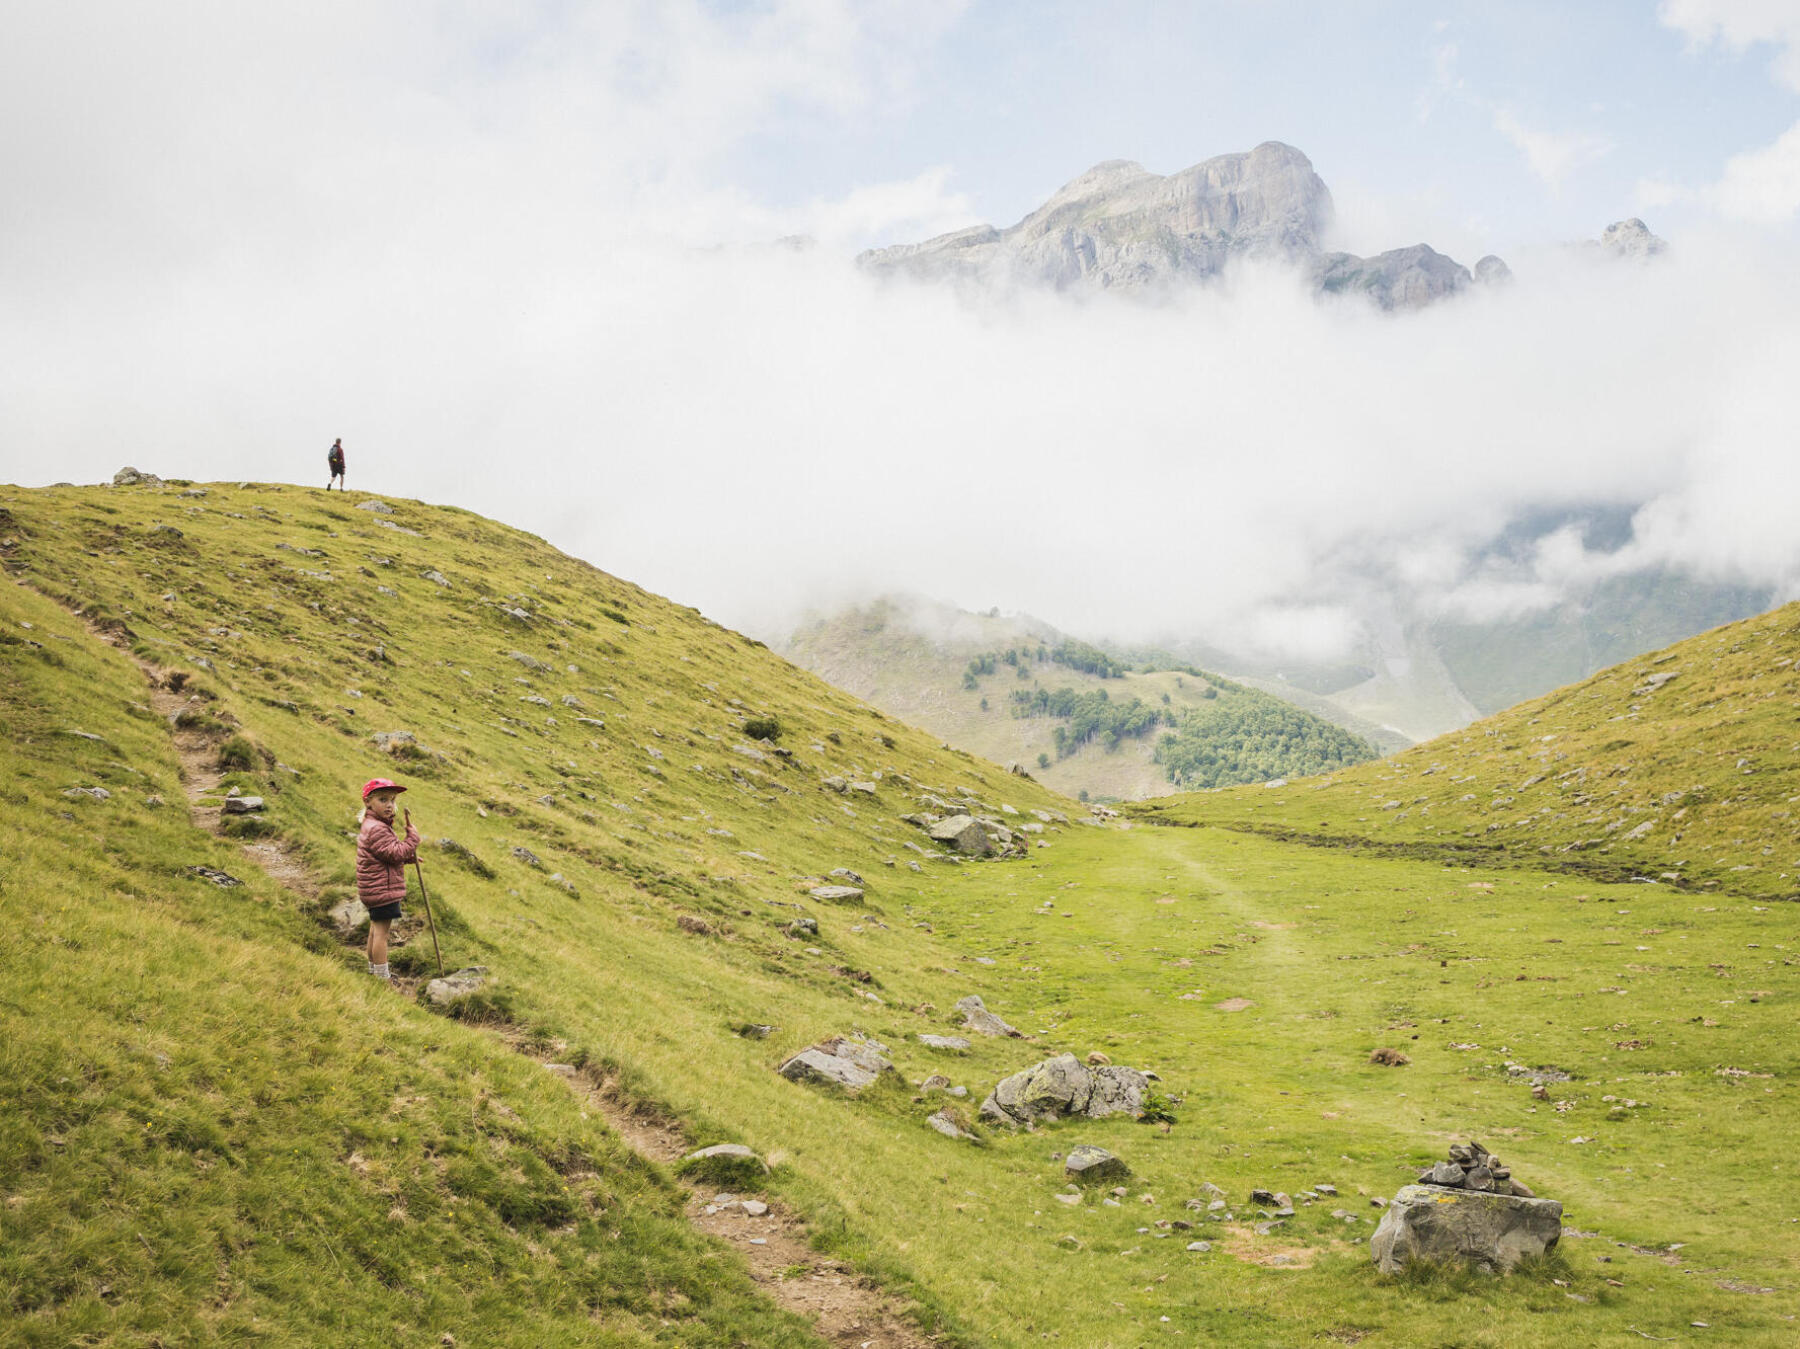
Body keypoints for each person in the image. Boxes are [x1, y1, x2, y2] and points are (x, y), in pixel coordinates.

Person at [356, 777, 418, 980]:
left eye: (392, 800)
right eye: (383, 800)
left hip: (375, 888)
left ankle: (373, 970)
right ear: (368, 801)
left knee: (375, 930)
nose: (390, 805)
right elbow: (394, 853)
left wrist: (407, 858)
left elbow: (385, 855)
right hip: (382, 890)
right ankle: (382, 979)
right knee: (381, 934)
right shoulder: (377, 828)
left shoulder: (373, 824)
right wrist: (413, 839)